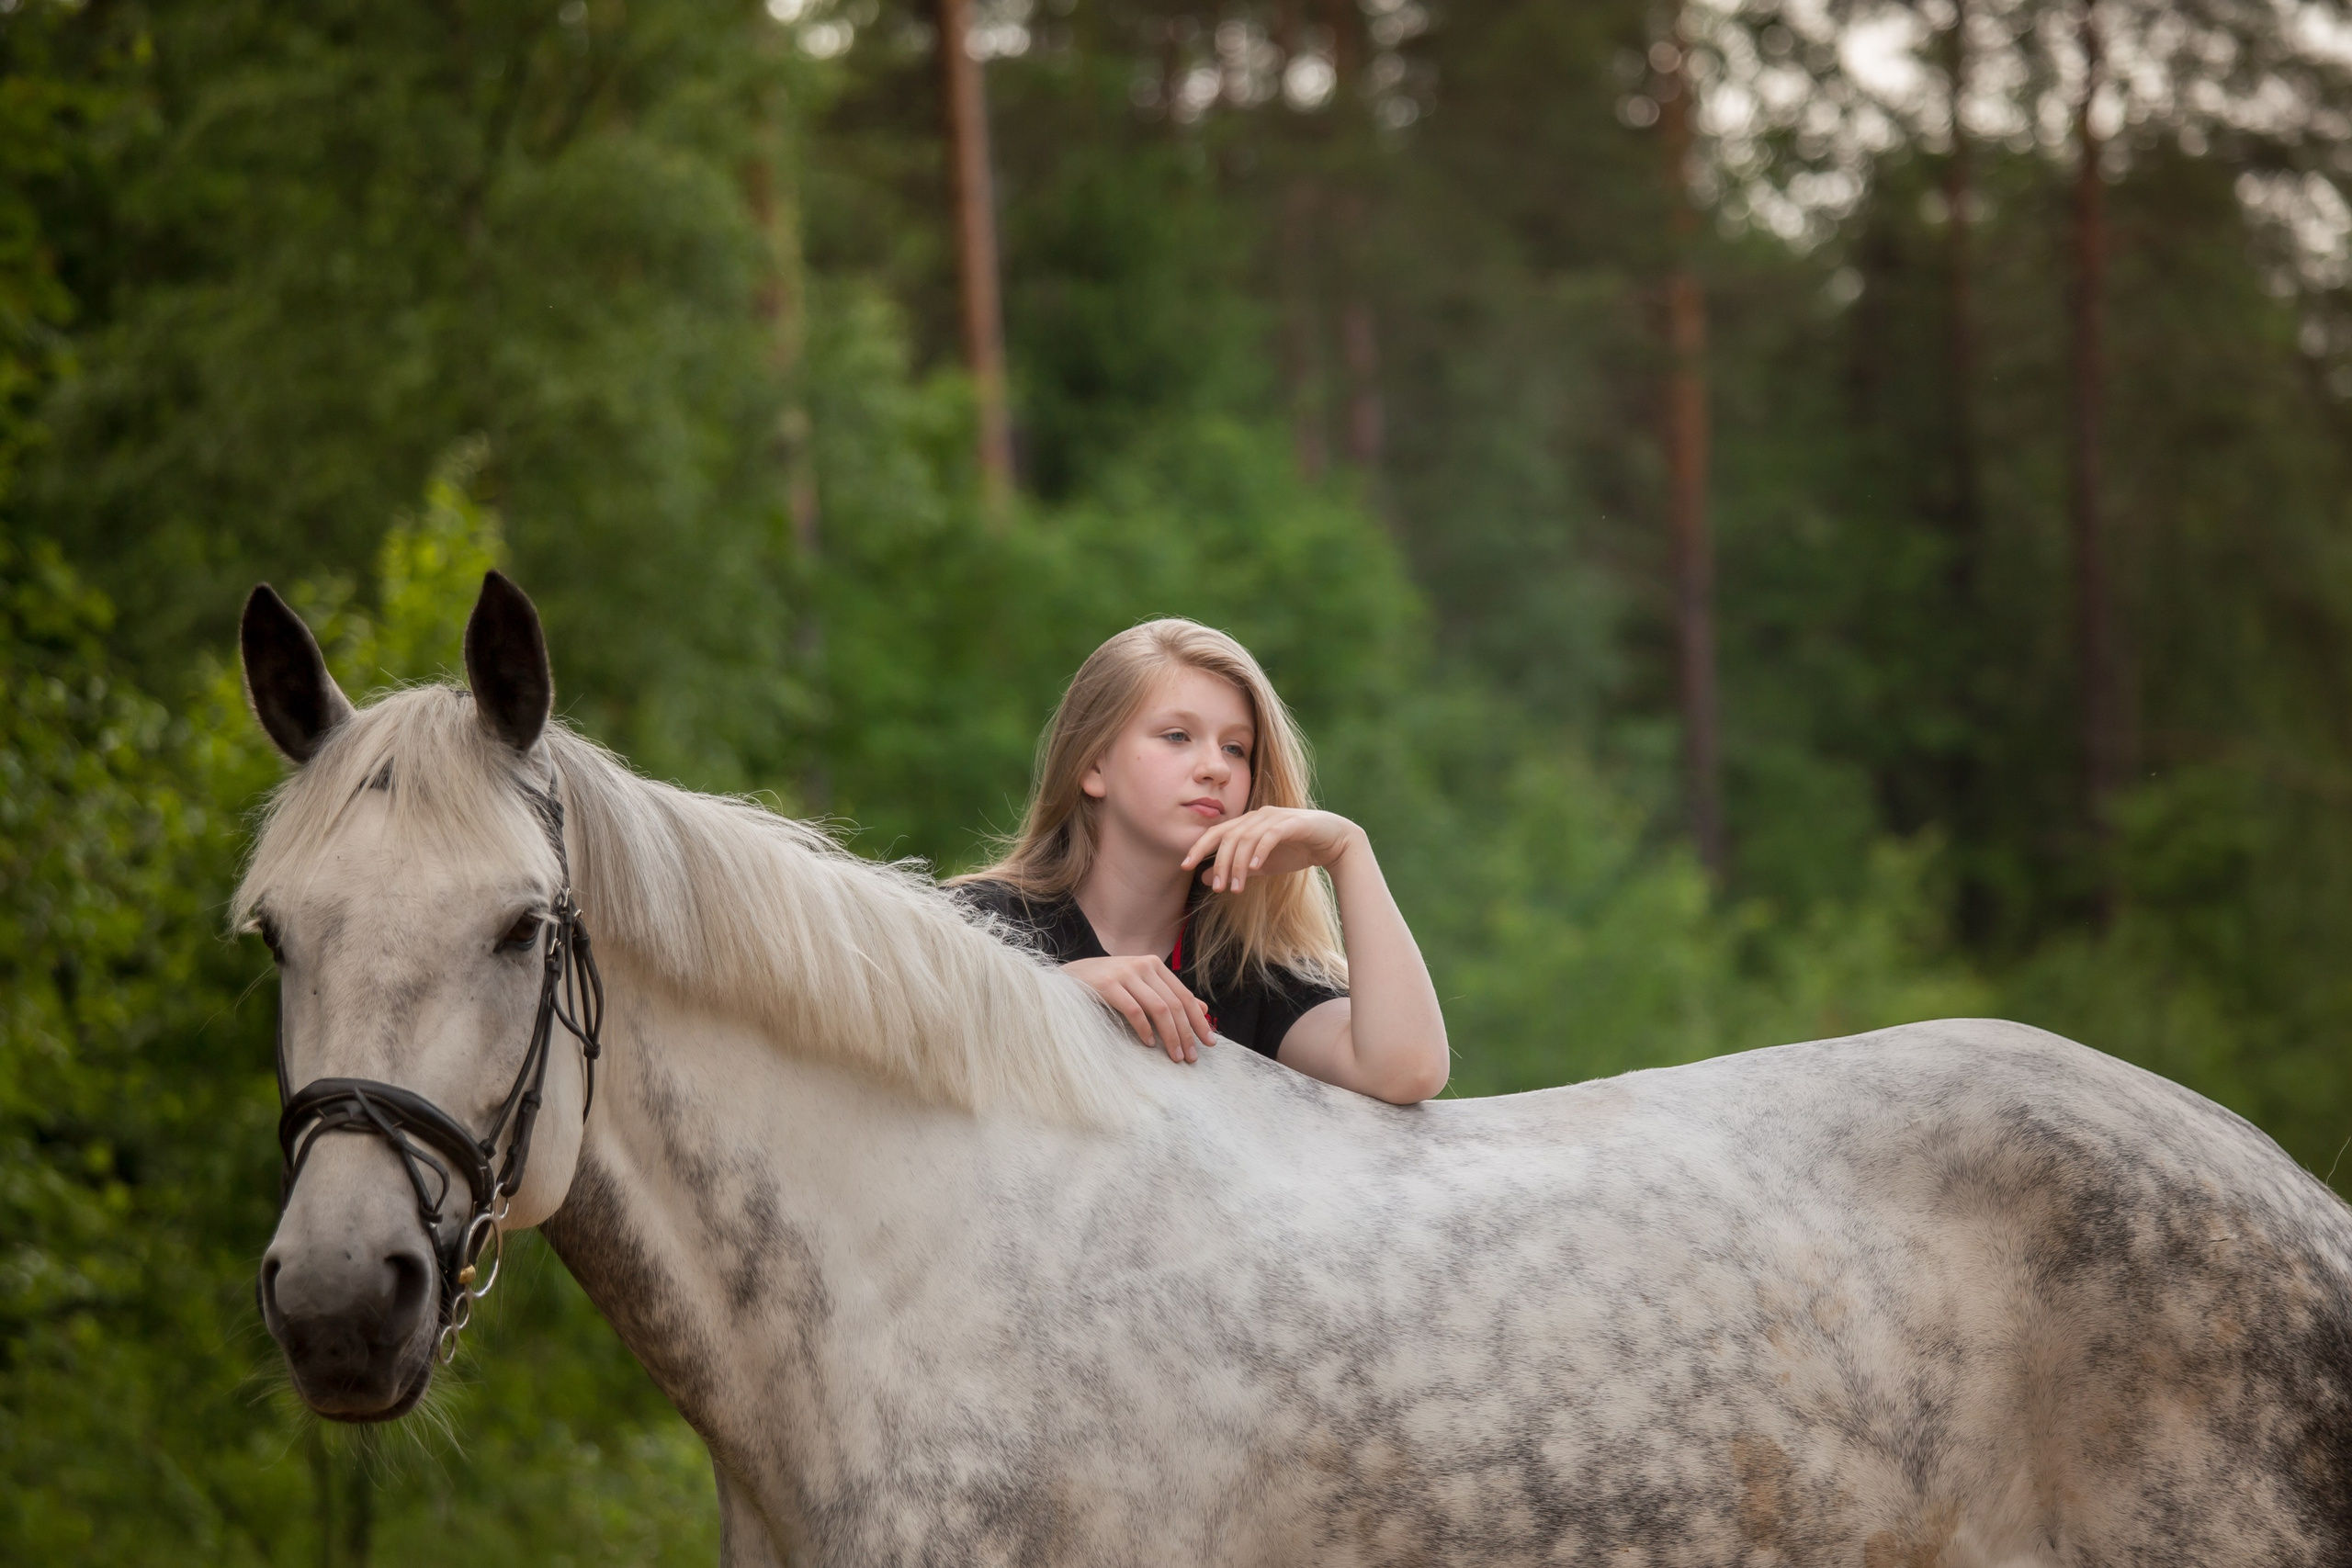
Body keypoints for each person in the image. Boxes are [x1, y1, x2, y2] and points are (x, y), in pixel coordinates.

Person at [952, 619, 1450, 1105]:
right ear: (1093, 765)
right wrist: (1052, 994)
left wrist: (1346, 852)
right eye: (1176, 736)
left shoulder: (1252, 975)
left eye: (1236, 748)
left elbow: (1408, 1072)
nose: (1216, 768)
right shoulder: (971, 923)